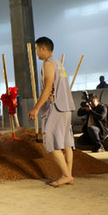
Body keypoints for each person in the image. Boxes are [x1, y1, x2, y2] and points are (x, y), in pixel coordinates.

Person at [28, 37, 75, 187]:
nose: (35, 53)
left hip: (56, 107)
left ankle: (66, 175)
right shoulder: (59, 64)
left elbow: (48, 89)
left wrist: (36, 108)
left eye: (36, 49)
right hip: (66, 106)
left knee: (51, 142)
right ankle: (68, 175)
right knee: (66, 142)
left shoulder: (48, 64)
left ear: (43, 48)